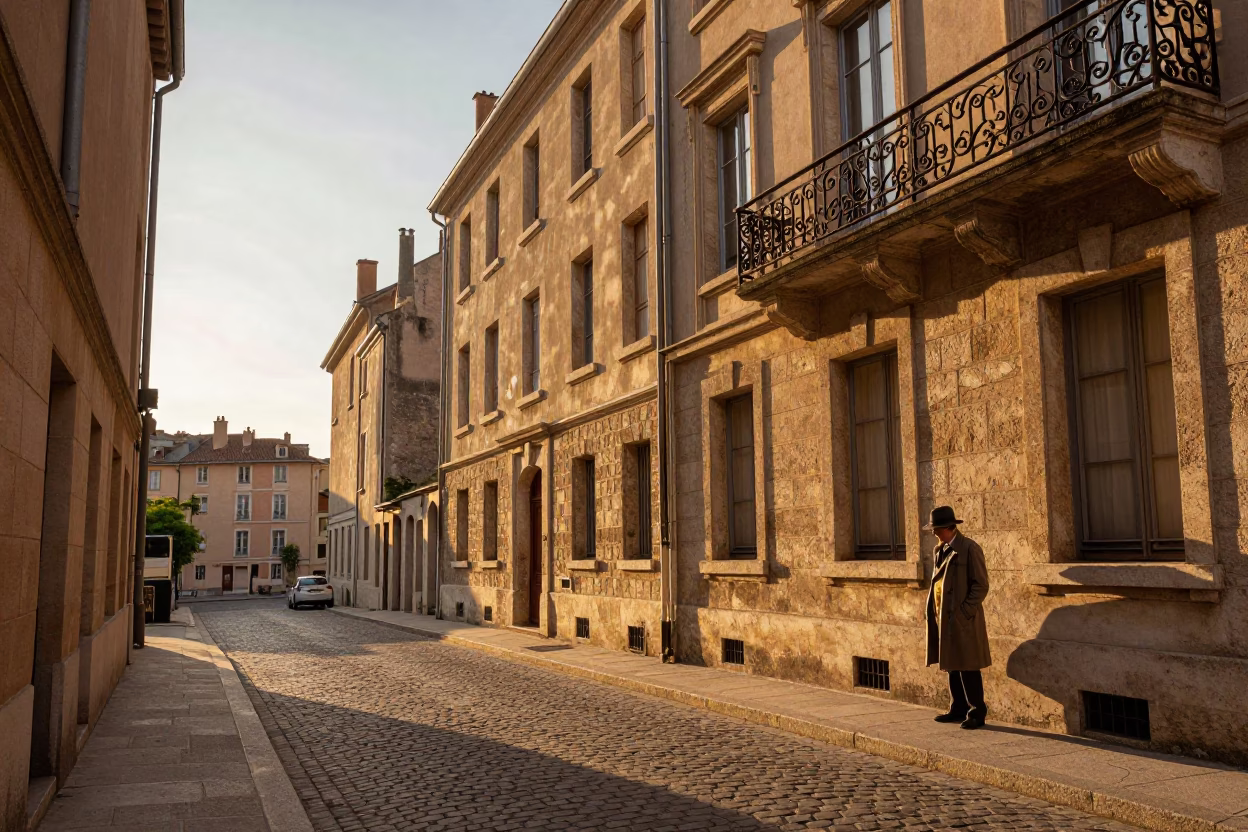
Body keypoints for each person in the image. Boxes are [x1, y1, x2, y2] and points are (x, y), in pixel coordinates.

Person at [923, 505, 991, 729]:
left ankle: (977, 712)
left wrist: (964, 613)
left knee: (968, 665)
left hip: (963, 620)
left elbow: (981, 585)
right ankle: (958, 708)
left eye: (936, 529)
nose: (934, 533)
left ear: (947, 528)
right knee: (951, 664)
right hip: (944, 617)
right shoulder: (940, 550)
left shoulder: (969, 548)